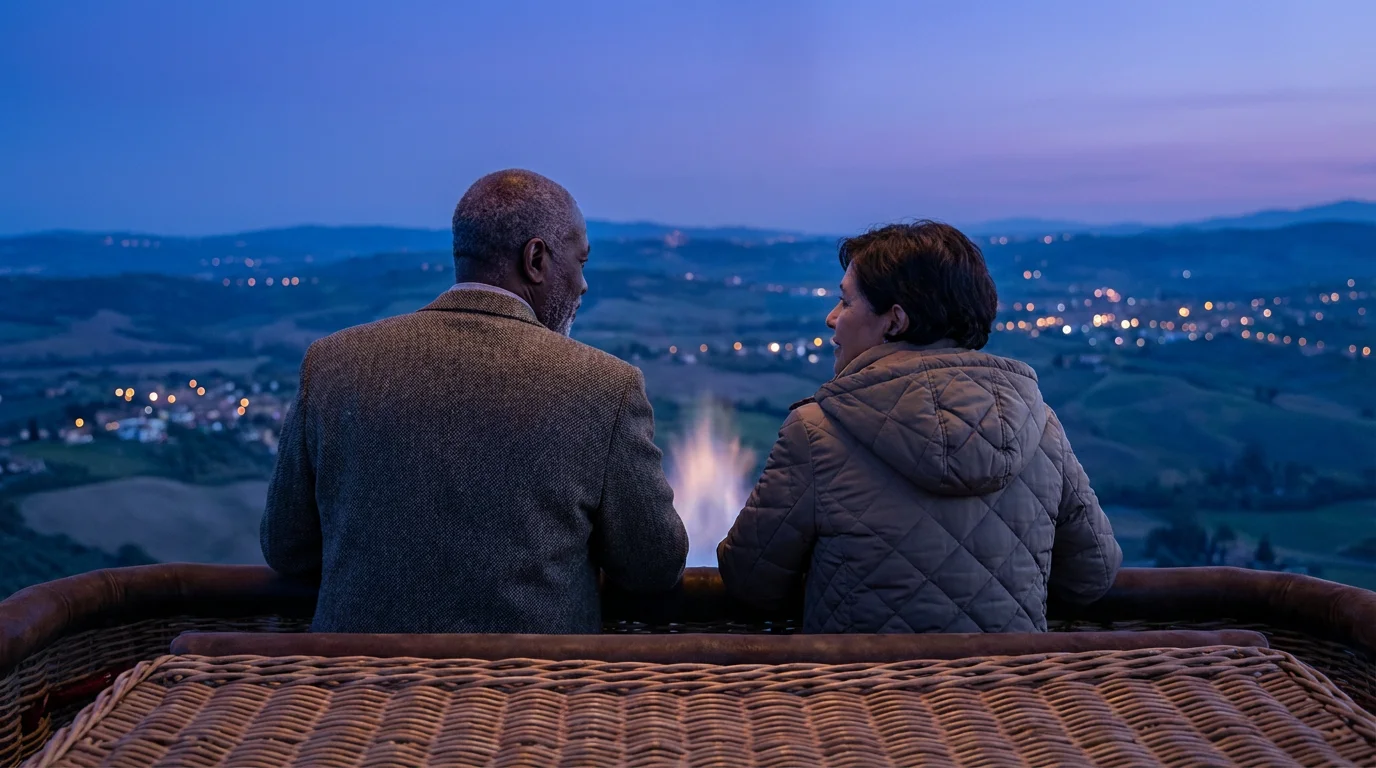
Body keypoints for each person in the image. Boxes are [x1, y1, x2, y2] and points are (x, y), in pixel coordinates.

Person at [261, 169, 689, 634]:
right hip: (533, 695)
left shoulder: (332, 365)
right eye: (580, 263)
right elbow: (654, 567)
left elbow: (287, 549)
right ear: (537, 259)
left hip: (358, 693)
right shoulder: (604, 387)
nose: (583, 285)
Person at [717, 221, 1121, 633]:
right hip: (1008, 691)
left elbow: (751, 582)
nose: (831, 318)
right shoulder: (1040, 427)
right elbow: (1092, 575)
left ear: (894, 321)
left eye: (845, 303)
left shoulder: (817, 432)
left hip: (861, 694)